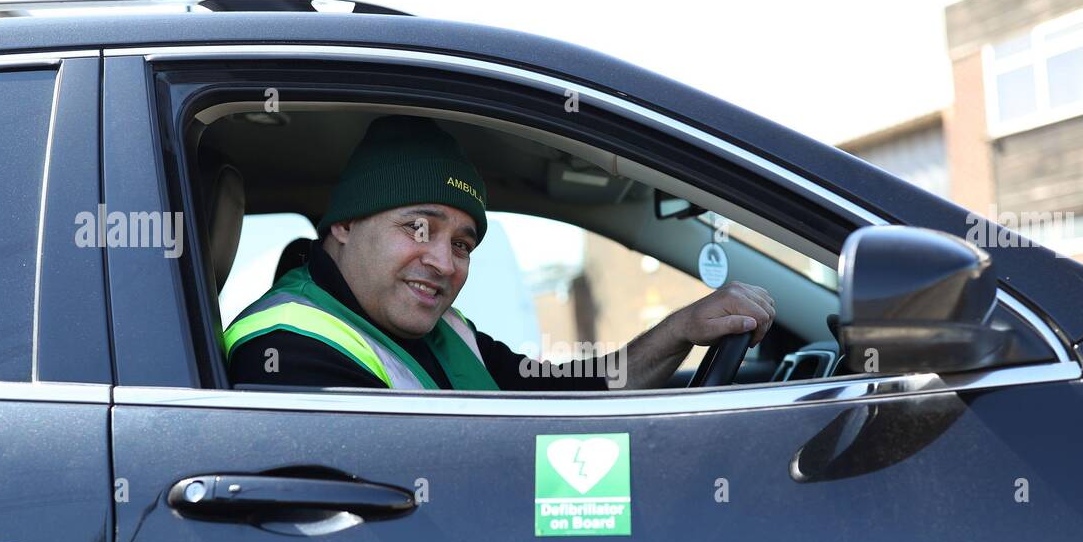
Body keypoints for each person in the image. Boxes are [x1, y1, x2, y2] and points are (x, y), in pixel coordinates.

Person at [224, 115, 774, 391]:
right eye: (418, 227)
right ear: (343, 225)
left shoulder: (445, 330)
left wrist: (679, 329)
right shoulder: (286, 347)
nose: (443, 262)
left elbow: (570, 394)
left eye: (462, 243)